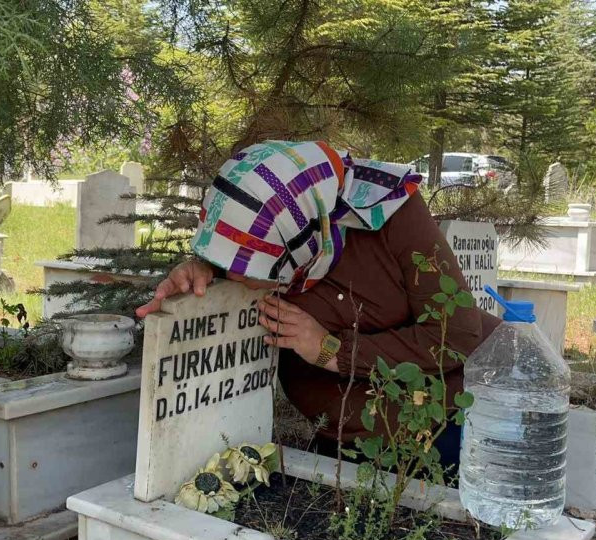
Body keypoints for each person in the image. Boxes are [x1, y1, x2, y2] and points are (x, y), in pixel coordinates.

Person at [136, 140, 500, 470]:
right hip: (344, 440)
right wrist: (201, 271)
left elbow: (455, 336)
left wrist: (332, 350)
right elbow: (240, 253)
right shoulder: (283, 234)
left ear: (303, 237)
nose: (239, 281)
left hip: (449, 425)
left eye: (244, 268)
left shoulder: (393, 214)